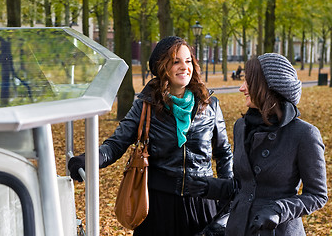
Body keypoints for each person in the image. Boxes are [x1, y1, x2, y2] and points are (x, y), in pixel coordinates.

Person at [68, 36, 233, 235]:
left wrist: (228, 202)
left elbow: (224, 155)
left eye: (188, 61)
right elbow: (116, 143)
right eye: (176, 61)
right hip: (158, 205)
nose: (184, 67)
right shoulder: (146, 104)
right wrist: (88, 160)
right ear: (162, 67)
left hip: (201, 205)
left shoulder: (210, 105)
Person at [187, 53, 328, 235]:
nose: (241, 88)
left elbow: (317, 196)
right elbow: (242, 186)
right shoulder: (241, 126)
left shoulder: (304, 134)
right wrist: (209, 187)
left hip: (279, 231)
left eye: (248, 82)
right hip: (238, 228)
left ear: (268, 87)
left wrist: (279, 209)